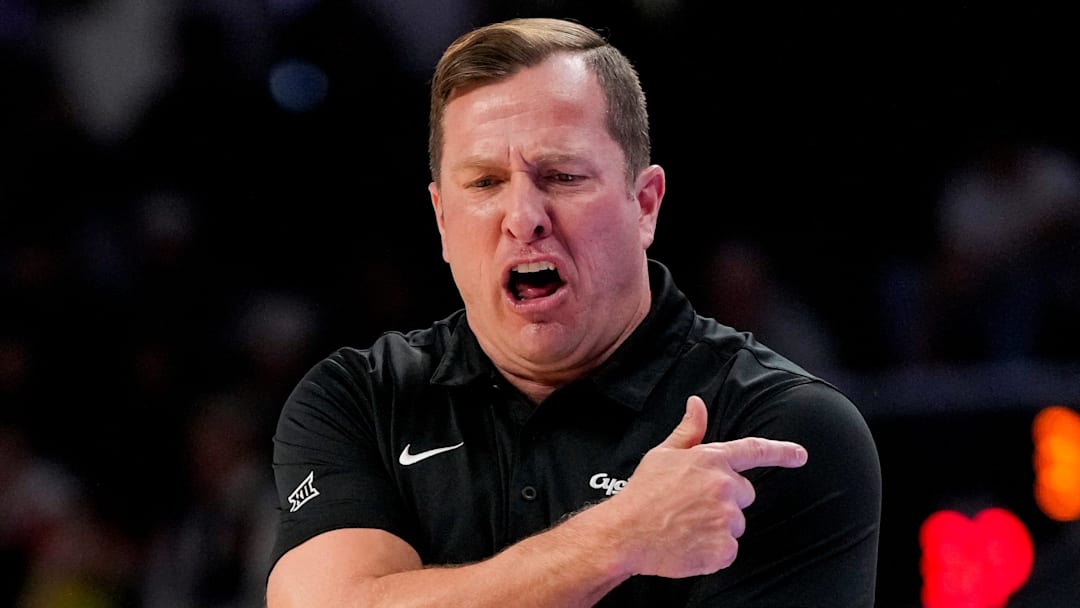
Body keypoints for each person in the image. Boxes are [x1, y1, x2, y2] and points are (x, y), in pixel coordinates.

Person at [266, 17, 881, 607]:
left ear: (645, 204)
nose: (523, 216)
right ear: (442, 221)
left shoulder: (777, 429)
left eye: (561, 175)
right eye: (484, 183)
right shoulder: (360, 402)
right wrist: (618, 539)